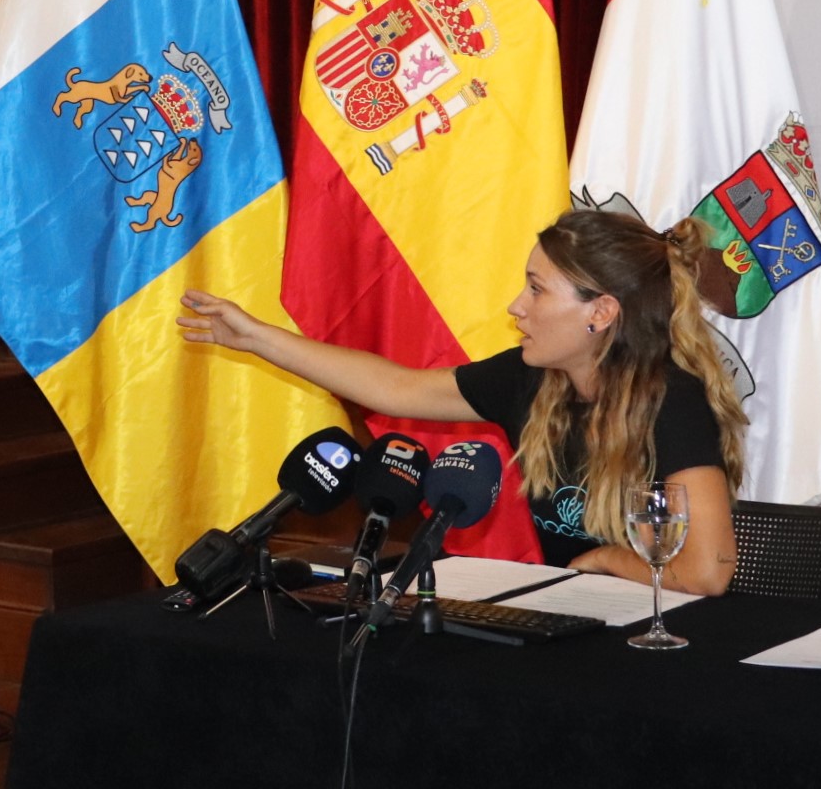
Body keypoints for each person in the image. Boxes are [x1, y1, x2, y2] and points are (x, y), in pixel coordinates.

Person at [178, 206, 747, 592]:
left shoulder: (674, 402)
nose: (516, 307)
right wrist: (254, 337)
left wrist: (602, 561)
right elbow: (395, 386)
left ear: (600, 313)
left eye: (536, 289)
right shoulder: (534, 381)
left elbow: (706, 573)